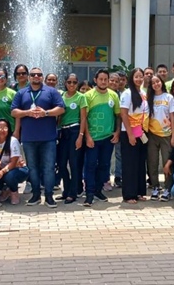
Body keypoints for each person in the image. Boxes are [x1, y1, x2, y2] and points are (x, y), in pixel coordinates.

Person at [11, 66, 65, 207]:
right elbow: (14, 112)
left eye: (39, 74)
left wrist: (45, 113)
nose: (36, 76)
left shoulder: (51, 91)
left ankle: (49, 196)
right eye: (33, 74)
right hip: (28, 138)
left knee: (49, 168)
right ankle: (35, 195)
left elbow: (61, 108)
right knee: (32, 168)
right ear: (29, 77)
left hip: (48, 138)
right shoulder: (21, 93)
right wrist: (28, 112)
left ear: (42, 77)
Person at [83, 69, 120, 207]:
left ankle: (98, 190)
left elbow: (118, 116)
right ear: (95, 80)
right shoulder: (88, 96)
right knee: (90, 165)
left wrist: (117, 132)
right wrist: (88, 136)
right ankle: (89, 194)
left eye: (106, 79)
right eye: (101, 79)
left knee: (104, 165)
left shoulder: (113, 95)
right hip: (93, 138)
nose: (103, 82)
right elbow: (84, 118)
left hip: (107, 138)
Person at [120, 68, 149, 204]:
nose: (139, 79)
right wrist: (130, 134)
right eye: (136, 77)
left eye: (141, 77)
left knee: (140, 163)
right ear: (131, 78)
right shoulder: (127, 93)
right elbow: (124, 114)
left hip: (141, 131)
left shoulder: (143, 93)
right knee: (130, 164)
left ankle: (140, 191)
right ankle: (129, 194)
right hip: (129, 132)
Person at [146, 74, 174, 201]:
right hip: (152, 134)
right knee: (152, 162)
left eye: (157, 81)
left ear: (161, 82)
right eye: (153, 83)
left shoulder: (168, 97)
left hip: (166, 134)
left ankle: (167, 188)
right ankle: (155, 187)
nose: (156, 84)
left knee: (167, 162)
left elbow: (172, 117)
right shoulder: (149, 98)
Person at [57, 73, 86, 204]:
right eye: (69, 82)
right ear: (65, 83)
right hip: (63, 132)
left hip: (75, 130)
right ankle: (66, 190)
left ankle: (73, 193)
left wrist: (80, 136)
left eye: (74, 82)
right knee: (62, 164)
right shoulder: (61, 96)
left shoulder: (81, 97)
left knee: (74, 164)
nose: (72, 85)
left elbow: (83, 118)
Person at [0, 119, 29, 203]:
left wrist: (2, 172)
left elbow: (14, 162)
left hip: (18, 169)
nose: (2, 130)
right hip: (1, 169)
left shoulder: (13, 141)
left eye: (5, 128)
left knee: (9, 176)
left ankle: (14, 191)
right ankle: (4, 189)